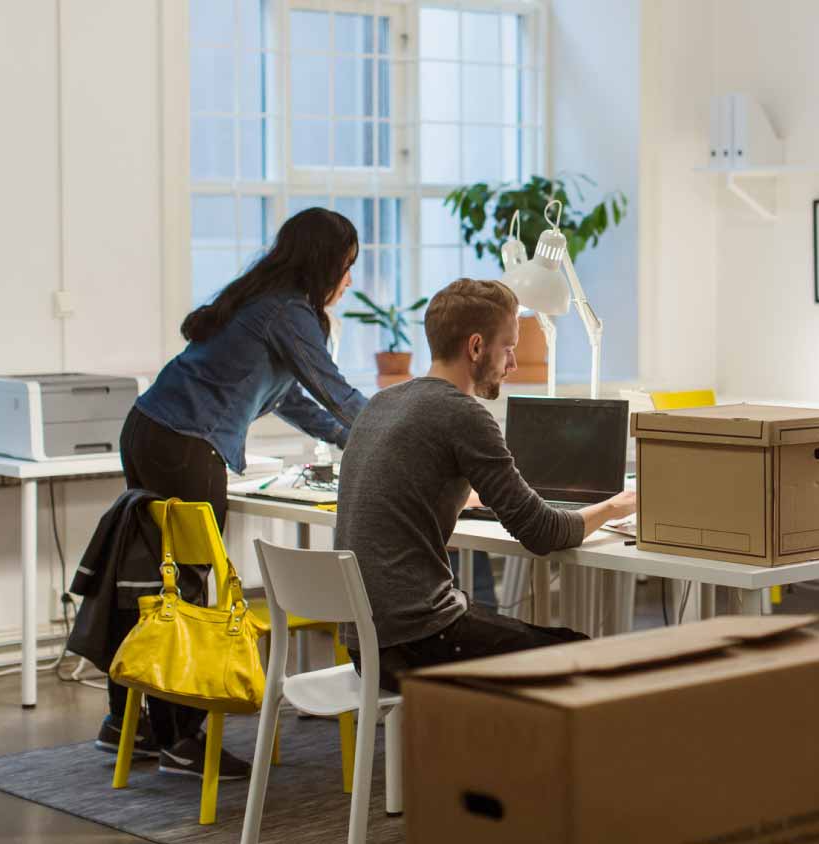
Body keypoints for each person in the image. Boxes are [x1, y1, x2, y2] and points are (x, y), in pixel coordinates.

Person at [96, 207, 370, 780]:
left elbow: (293, 399)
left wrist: (356, 441)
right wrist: (395, 431)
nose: (349, 280)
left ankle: (128, 722)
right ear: (327, 263)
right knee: (190, 593)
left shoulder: (257, 301)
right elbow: (334, 390)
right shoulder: (290, 312)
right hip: (186, 447)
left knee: (152, 581)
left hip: (148, 429)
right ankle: (182, 739)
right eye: (347, 267)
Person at [336, 278, 637, 691]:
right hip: (418, 640)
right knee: (580, 654)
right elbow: (543, 533)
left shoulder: (382, 403)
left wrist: (468, 495)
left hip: (365, 644)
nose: (513, 363)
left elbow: (408, 489)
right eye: (509, 347)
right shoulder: (462, 414)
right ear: (476, 347)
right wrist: (617, 505)